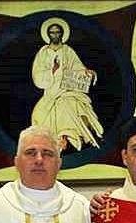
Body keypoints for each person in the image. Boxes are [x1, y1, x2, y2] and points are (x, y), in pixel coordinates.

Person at [30, 18, 104, 151]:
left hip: (67, 90)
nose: (55, 35)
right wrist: (52, 70)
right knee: (44, 115)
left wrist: (85, 72)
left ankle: (70, 139)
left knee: (71, 105)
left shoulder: (67, 51)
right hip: (51, 92)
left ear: (62, 34)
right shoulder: (43, 52)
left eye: (58, 32)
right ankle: (59, 141)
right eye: (52, 33)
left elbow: (77, 67)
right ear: (48, 35)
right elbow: (37, 75)